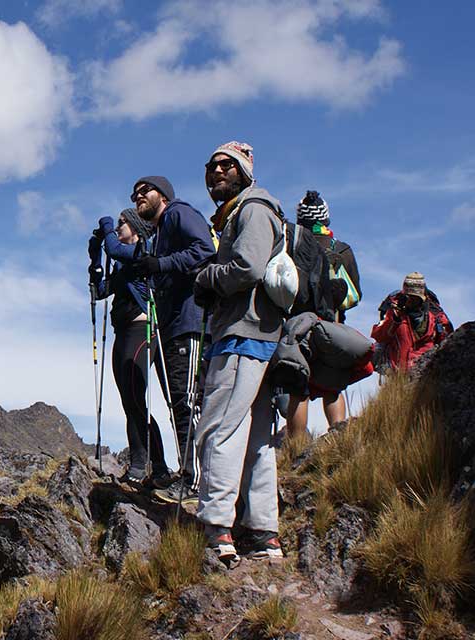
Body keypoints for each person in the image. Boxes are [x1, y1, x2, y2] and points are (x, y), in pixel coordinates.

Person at [191, 141, 286, 564]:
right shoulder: (249, 211)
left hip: (241, 334)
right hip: (262, 336)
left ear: (246, 171)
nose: (216, 172)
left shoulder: (252, 209)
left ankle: (216, 528)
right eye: (211, 166)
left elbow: (247, 266)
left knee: (219, 428)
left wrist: (207, 276)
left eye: (227, 165)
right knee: (257, 439)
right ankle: (264, 534)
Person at [119, 176, 215, 506]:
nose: (138, 197)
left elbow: (205, 250)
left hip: (188, 323)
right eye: (135, 194)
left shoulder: (177, 214)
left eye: (145, 191)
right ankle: (192, 474)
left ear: (163, 194)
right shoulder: (159, 233)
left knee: (187, 402)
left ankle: (195, 480)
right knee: (180, 402)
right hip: (174, 327)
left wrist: (160, 264)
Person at [90, 208, 183, 487]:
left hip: (142, 330)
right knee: (131, 402)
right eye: (116, 224)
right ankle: (157, 466)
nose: (117, 227)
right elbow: (100, 290)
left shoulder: (143, 252)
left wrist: (105, 227)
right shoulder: (122, 265)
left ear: (137, 228)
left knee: (134, 396)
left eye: (122, 223)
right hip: (124, 332)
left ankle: (145, 464)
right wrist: (95, 257)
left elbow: (116, 249)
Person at [285, 190, 363, 438]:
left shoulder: (291, 246)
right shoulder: (341, 250)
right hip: (332, 326)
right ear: (326, 219)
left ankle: (295, 449)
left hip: (298, 325)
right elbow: (355, 295)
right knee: (333, 386)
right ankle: (338, 436)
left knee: (299, 389)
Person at [371, 272, 453, 373]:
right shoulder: (393, 311)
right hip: (396, 371)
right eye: (408, 297)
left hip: (424, 372)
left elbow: (446, 342)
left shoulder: (436, 315)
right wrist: (395, 319)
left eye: (415, 298)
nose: (411, 301)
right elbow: (379, 337)